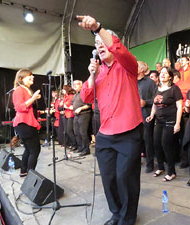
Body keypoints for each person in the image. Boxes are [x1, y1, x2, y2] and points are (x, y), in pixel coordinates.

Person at [77, 15, 143, 225]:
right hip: (105, 134)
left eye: (102, 42)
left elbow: (119, 48)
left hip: (128, 132)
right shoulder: (99, 73)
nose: (99, 46)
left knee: (126, 178)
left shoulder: (127, 66)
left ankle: (127, 218)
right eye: (96, 44)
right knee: (109, 178)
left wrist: (97, 28)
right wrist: (90, 74)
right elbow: (86, 97)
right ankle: (116, 213)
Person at [146, 67, 183, 182]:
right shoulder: (158, 88)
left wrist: (177, 123)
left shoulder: (174, 89)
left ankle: (171, 172)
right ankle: (161, 167)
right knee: (157, 144)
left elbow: (180, 107)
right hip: (159, 121)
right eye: (161, 73)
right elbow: (155, 104)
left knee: (166, 145)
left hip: (170, 122)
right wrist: (152, 115)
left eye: (166, 73)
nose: (163, 74)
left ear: (170, 76)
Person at [12, 69, 41, 177]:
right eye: (29, 77)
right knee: (35, 150)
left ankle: (24, 171)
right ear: (21, 79)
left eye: (32, 76)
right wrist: (33, 98)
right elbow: (19, 107)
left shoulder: (26, 90)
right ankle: (31, 175)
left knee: (29, 149)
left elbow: (30, 109)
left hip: (26, 124)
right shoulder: (19, 90)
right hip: (25, 124)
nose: (32, 78)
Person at [137, 61, 157, 173]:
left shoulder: (150, 82)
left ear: (142, 70)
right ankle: (137, 161)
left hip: (146, 115)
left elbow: (156, 99)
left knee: (148, 140)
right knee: (136, 140)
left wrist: (146, 102)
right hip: (133, 116)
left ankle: (150, 164)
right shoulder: (131, 82)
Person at [72, 80, 92, 156]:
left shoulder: (84, 93)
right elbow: (72, 104)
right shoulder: (75, 95)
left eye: (76, 84)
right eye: (74, 84)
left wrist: (80, 108)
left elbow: (89, 105)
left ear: (81, 85)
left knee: (83, 132)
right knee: (76, 132)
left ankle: (86, 149)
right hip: (76, 115)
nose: (74, 85)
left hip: (84, 114)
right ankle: (80, 147)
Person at [62, 85, 77, 150]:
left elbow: (71, 106)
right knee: (67, 131)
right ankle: (71, 144)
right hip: (66, 114)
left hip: (71, 115)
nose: (62, 91)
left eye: (63, 89)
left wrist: (65, 107)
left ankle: (75, 144)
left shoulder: (71, 96)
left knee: (69, 130)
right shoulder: (66, 96)